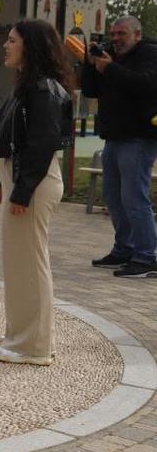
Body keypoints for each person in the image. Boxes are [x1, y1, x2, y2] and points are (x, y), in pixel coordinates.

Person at [0, 20, 73, 366]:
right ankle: (21, 336)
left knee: (31, 263)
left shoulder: (42, 89)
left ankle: (34, 346)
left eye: (11, 40)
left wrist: (21, 192)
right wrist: (1, 183)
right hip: (24, 181)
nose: (5, 46)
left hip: (33, 185)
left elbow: (41, 144)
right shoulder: (30, 86)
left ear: (31, 46)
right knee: (19, 264)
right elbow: (16, 139)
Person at [83, 15, 157, 278]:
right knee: (113, 196)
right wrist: (90, 64)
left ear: (137, 35)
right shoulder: (111, 58)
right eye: (113, 34)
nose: (115, 39)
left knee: (134, 197)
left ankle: (147, 257)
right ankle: (124, 248)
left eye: (121, 34)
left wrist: (110, 68)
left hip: (139, 137)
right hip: (114, 137)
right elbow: (90, 90)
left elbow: (147, 85)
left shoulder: (150, 53)